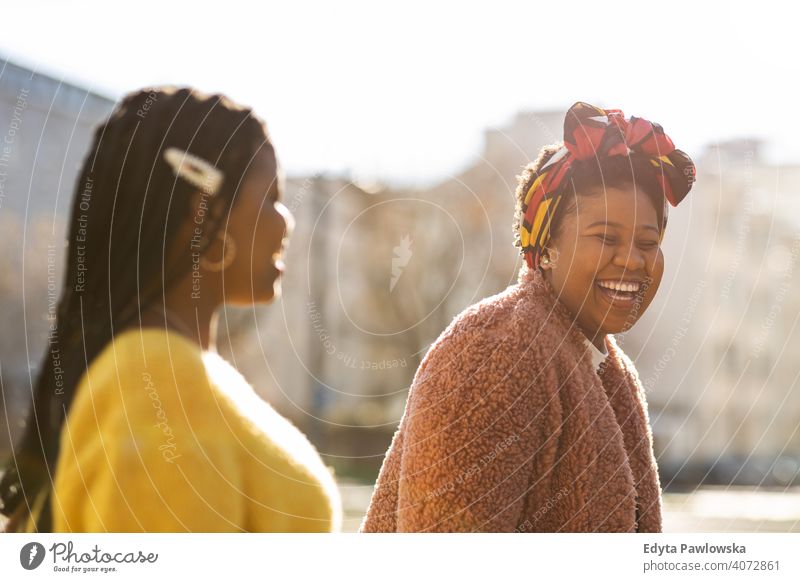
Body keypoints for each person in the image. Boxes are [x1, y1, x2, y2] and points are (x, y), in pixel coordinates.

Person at [0, 87, 341, 532]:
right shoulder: (158, 388)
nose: (286, 221)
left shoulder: (169, 375)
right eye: (271, 195)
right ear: (206, 211)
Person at [361, 101, 696, 532]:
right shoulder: (497, 349)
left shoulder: (609, 367)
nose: (633, 260)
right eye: (605, 236)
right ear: (546, 246)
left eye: (648, 243)